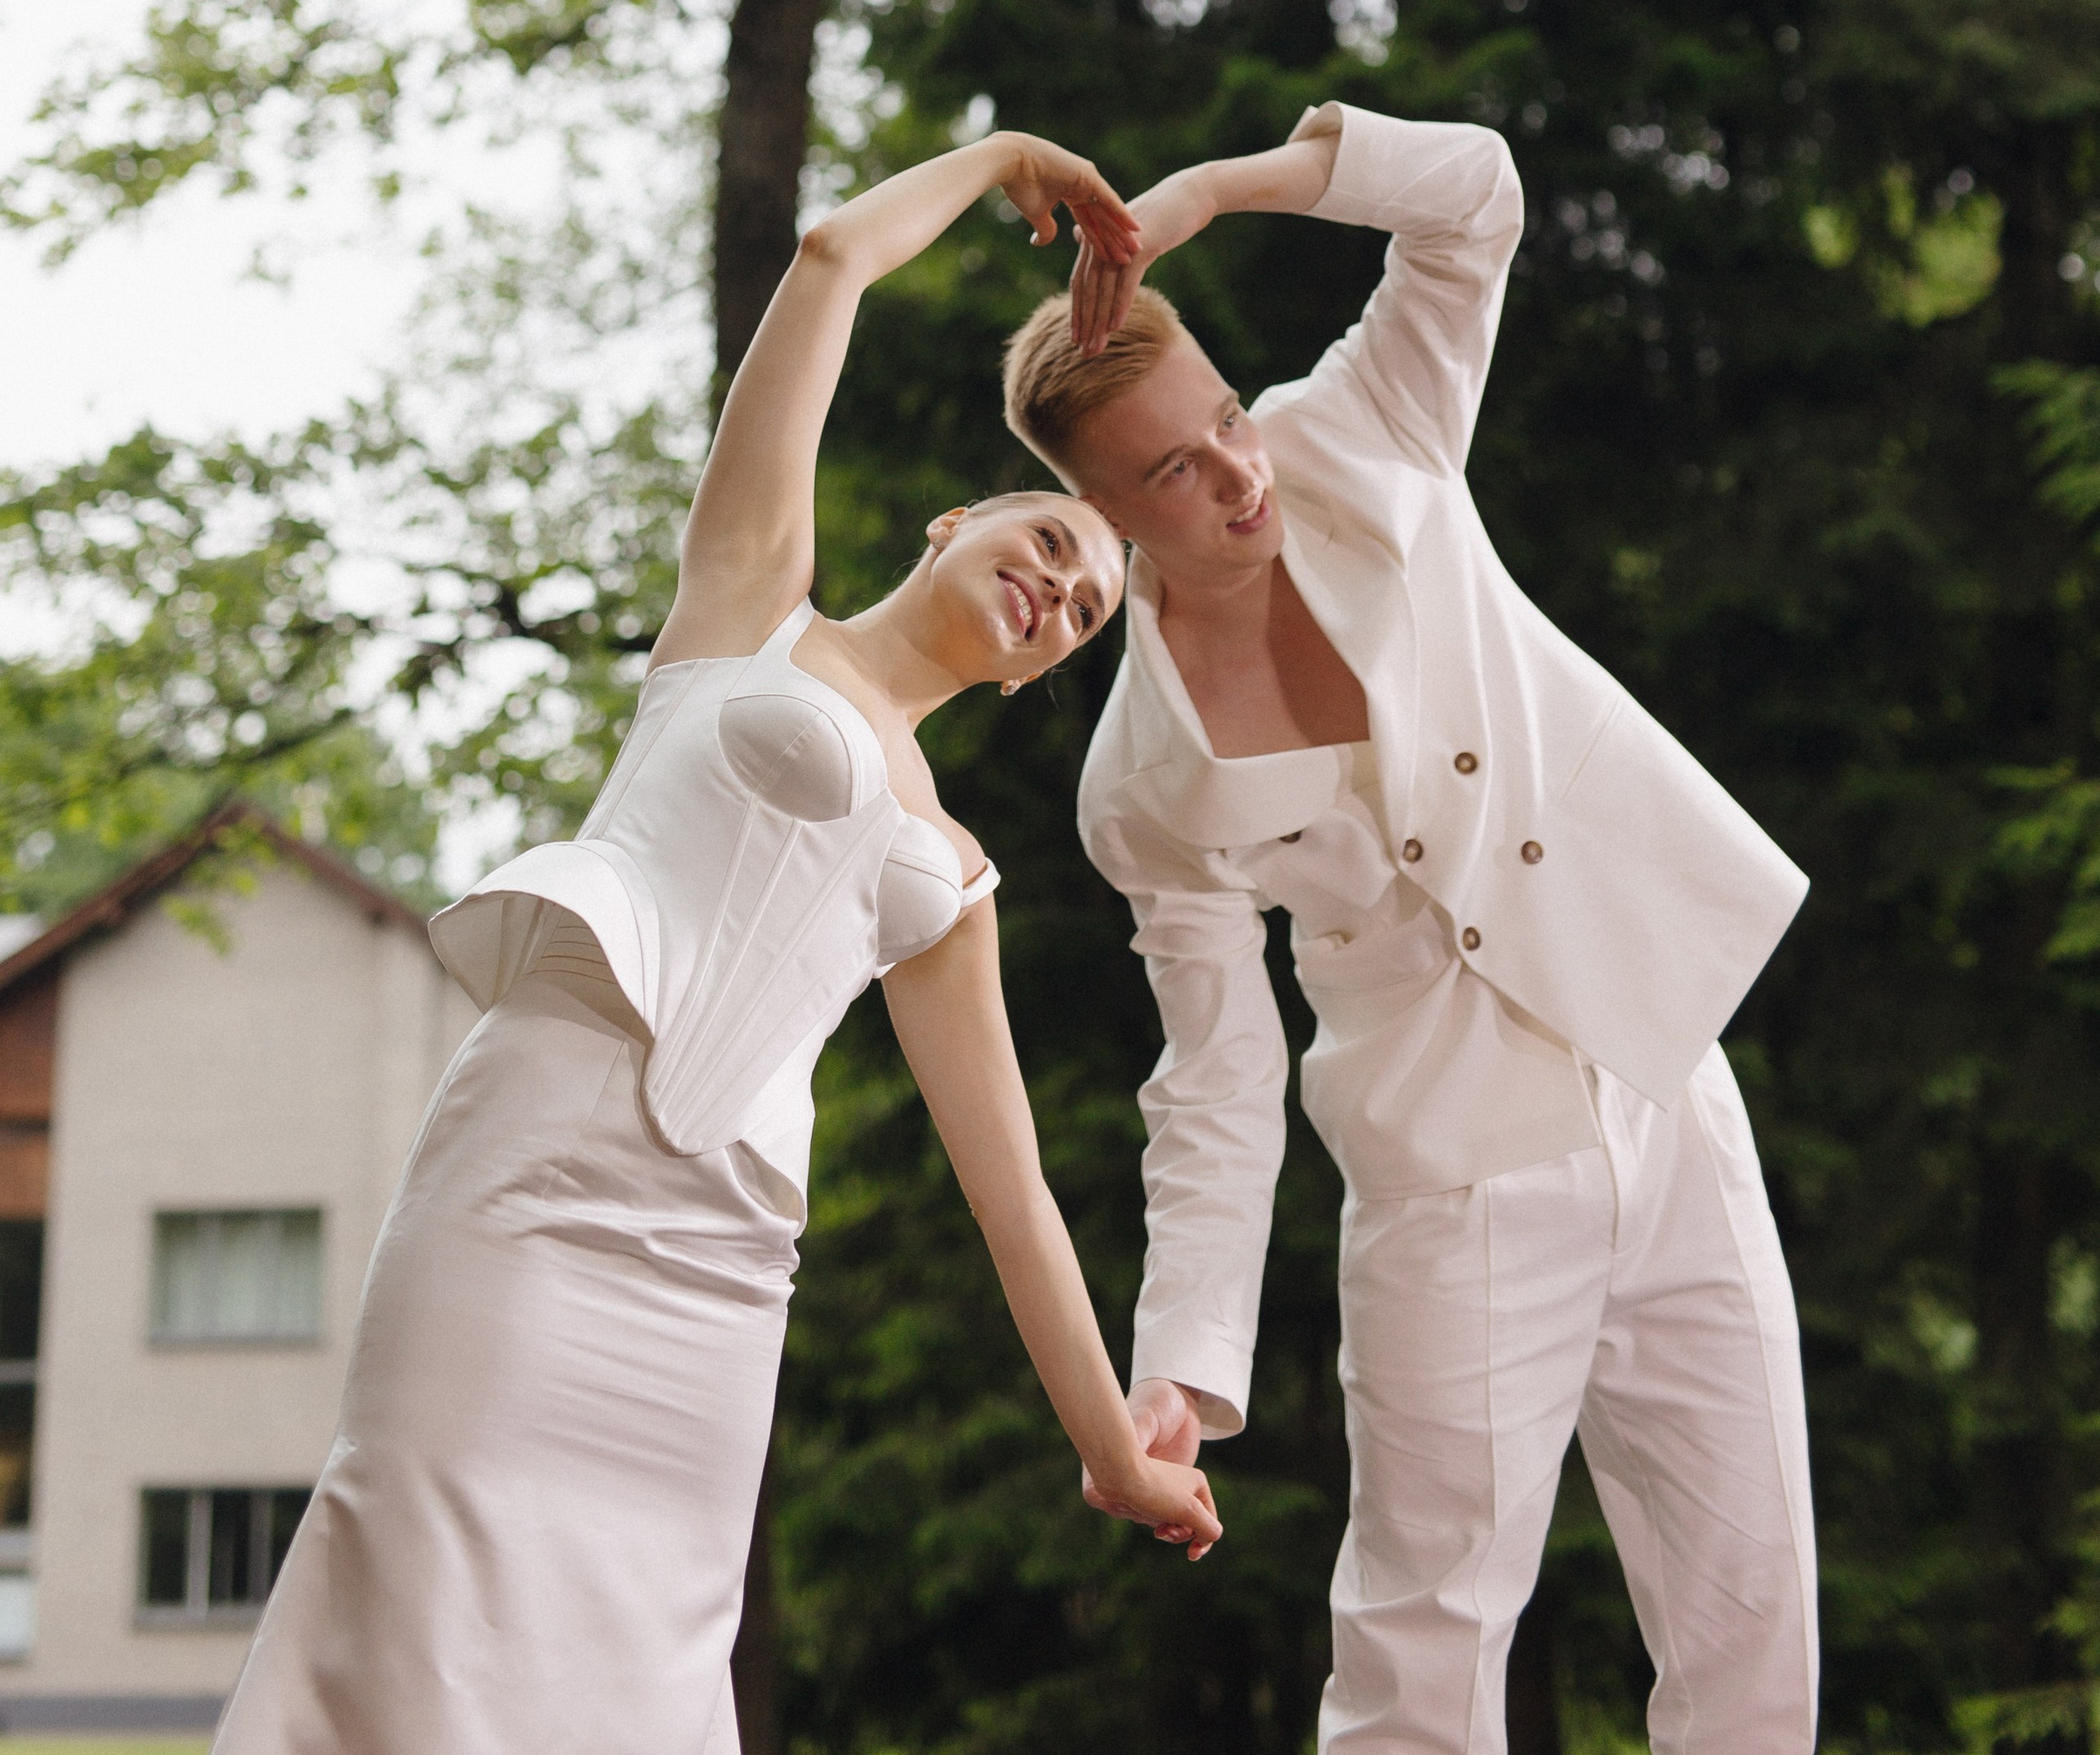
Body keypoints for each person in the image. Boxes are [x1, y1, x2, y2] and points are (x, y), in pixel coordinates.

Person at [214, 130, 1219, 1755]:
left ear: (1049, 676)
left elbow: (1011, 1185)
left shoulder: (952, 876)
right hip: (532, 1185)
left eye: (1088, 605)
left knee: (641, 1670)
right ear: (957, 524)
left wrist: (1113, 1451)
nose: (1057, 586)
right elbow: (827, 260)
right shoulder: (749, 606)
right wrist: (993, 165)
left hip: (718, 1273)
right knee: (416, 1575)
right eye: (1045, 541)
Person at [1000, 97, 1816, 1755]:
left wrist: (1220, 184)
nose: (1236, 471)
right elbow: (1217, 1081)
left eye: (1224, 416)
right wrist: (1181, 1368)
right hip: (1450, 1177)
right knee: (1420, 1654)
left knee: (1750, 1616)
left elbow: (1477, 198)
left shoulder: (1364, 427)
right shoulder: (1141, 782)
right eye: (1175, 466)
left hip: (1658, 1069)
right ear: (1108, 515)